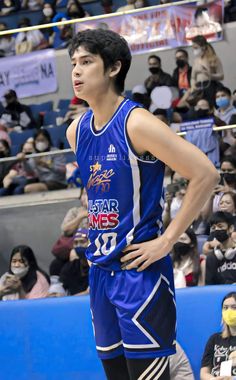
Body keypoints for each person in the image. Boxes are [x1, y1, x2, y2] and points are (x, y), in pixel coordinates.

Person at [66, 28, 219, 380]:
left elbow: (206, 174)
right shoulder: (77, 131)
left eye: (86, 62)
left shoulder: (137, 123)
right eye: (73, 63)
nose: (75, 70)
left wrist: (167, 241)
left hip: (140, 275)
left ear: (114, 68)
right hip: (101, 274)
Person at [200, 291, 236, 379]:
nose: (229, 311)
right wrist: (212, 379)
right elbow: (204, 372)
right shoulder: (214, 339)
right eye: (225, 308)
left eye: (234, 307)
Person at [24, 129, 67, 193]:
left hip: (58, 182)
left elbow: (62, 170)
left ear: (48, 140)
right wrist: (23, 161)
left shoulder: (56, 152)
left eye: (42, 140)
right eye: (38, 140)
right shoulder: (34, 155)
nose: (40, 142)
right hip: (43, 182)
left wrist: (47, 165)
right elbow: (29, 171)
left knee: (29, 188)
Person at [191, 35, 224, 107]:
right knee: (200, 106)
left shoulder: (213, 58)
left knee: (212, 106)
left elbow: (221, 76)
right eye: (193, 48)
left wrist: (210, 75)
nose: (194, 50)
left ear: (203, 47)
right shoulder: (196, 61)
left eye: (196, 48)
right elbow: (193, 77)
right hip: (199, 87)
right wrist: (193, 85)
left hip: (211, 86)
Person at [205, 211, 236, 284]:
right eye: (213, 227)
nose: (216, 229)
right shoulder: (211, 258)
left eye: (220, 226)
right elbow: (210, 286)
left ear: (231, 228)